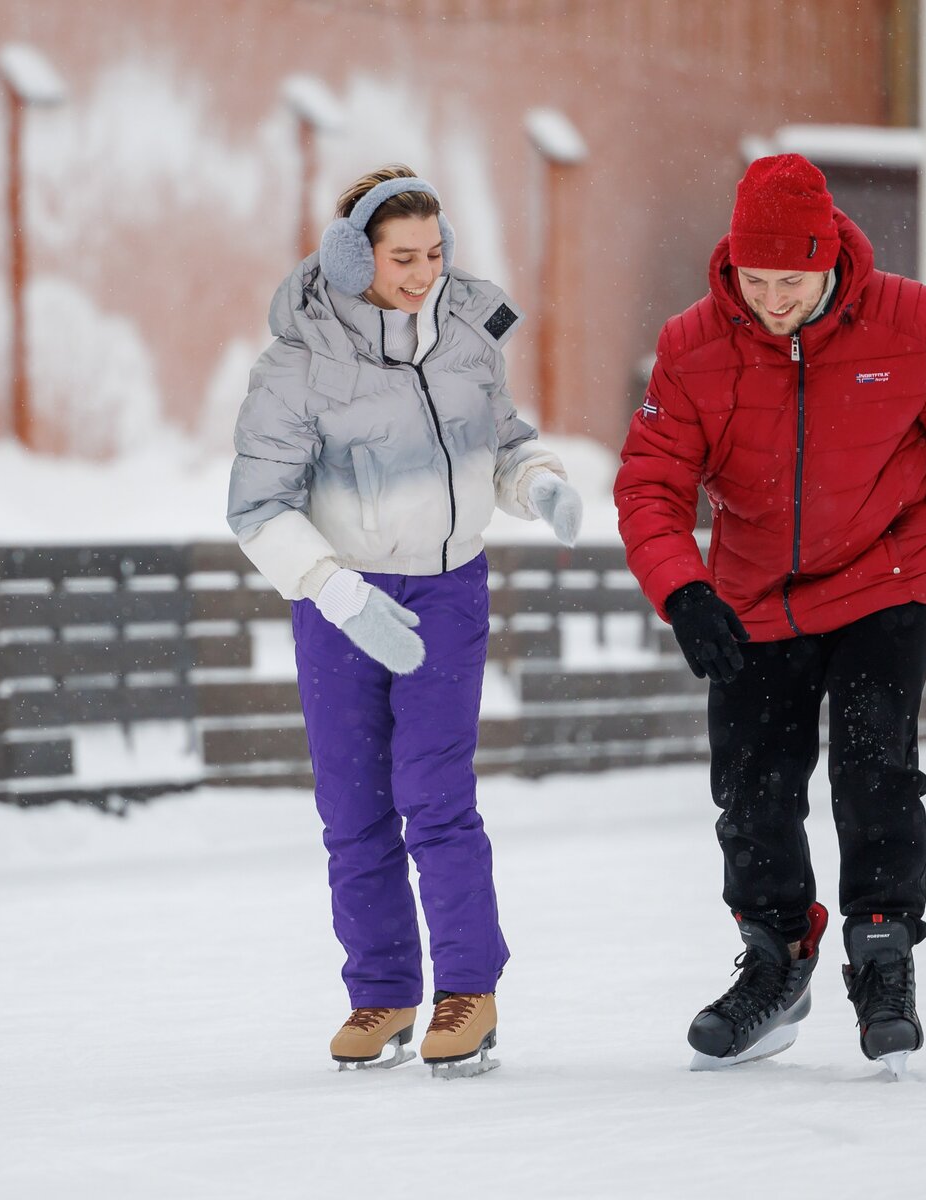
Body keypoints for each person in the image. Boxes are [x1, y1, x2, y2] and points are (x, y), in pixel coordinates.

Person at [614, 153, 926, 1077]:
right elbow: (651, 482)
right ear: (731, 265)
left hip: (885, 579)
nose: (774, 299)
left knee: (874, 767)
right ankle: (775, 960)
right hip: (751, 595)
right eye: (756, 279)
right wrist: (684, 588)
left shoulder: (915, 325)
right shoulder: (694, 343)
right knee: (753, 790)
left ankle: (883, 952)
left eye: (792, 280)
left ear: (831, 260)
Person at [227, 165, 582, 1076]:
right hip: (342, 604)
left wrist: (537, 482)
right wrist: (340, 594)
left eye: (433, 253)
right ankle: (380, 991)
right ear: (354, 257)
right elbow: (259, 508)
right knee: (352, 807)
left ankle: (469, 987)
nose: (422, 274)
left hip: (446, 593)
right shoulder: (297, 364)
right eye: (401, 257)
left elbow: (499, 439)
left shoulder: (467, 335)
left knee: (434, 796)